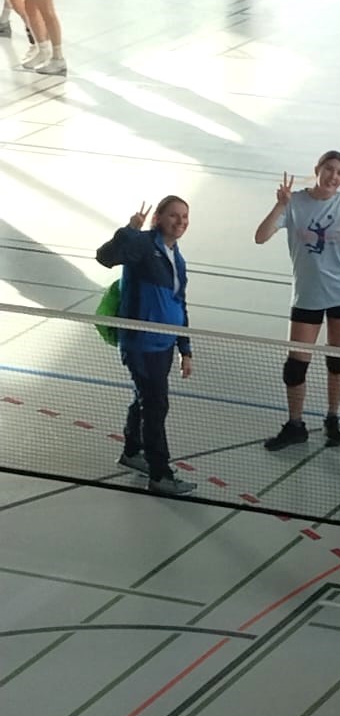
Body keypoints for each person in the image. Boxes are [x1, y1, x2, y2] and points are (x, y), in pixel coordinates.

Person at [253, 152, 340, 450]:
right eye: (329, 169)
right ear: (317, 169)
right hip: (307, 294)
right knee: (295, 367)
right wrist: (280, 203)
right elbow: (260, 237)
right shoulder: (294, 202)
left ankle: (332, 418)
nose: (333, 176)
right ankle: (295, 425)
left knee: (336, 357)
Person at [95, 197, 195, 498]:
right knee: (155, 405)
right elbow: (105, 257)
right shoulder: (141, 244)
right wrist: (129, 230)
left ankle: (131, 451)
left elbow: (179, 303)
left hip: (164, 343)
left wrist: (185, 348)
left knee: (145, 398)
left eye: (185, 217)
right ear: (158, 218)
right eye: (174, 215)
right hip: (141, 342)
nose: (180, 221)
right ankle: (159, 474)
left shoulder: (177, 257)